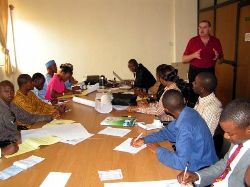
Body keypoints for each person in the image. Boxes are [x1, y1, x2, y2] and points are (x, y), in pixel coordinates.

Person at [131, 90, 217, 171]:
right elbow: (167, 133)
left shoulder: (185, 127)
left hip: (201, 168)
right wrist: (145, 139)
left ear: (166, 110)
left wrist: (158, 150)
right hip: (198, 160)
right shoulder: (188, 112)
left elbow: (180, 163)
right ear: (184, 100)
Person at [177, 99, 250, 187]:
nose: (225, 136)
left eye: (230, 134)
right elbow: (224, 164)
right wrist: (197, 176)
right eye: (224, 132)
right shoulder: (239, 140)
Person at [182, 20, 223, 106]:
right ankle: (192, 113)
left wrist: (218, 57)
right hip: (194, 71)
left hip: (209, 72)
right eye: (200, 27)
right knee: (193, 95)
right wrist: (193, 55)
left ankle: (208, 115)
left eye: (204, 27)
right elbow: (184, 59)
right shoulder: (193, 41)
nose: (201, 29)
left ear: (209, 29)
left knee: (209, 95)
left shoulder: (216, 41)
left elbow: (221, 60)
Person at [0, 80, 20, 156]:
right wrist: (2, 152)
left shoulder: (11, 104)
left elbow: (25, 116)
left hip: (10, 142)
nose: (10, 94)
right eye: (6, 91)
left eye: (12, 91)